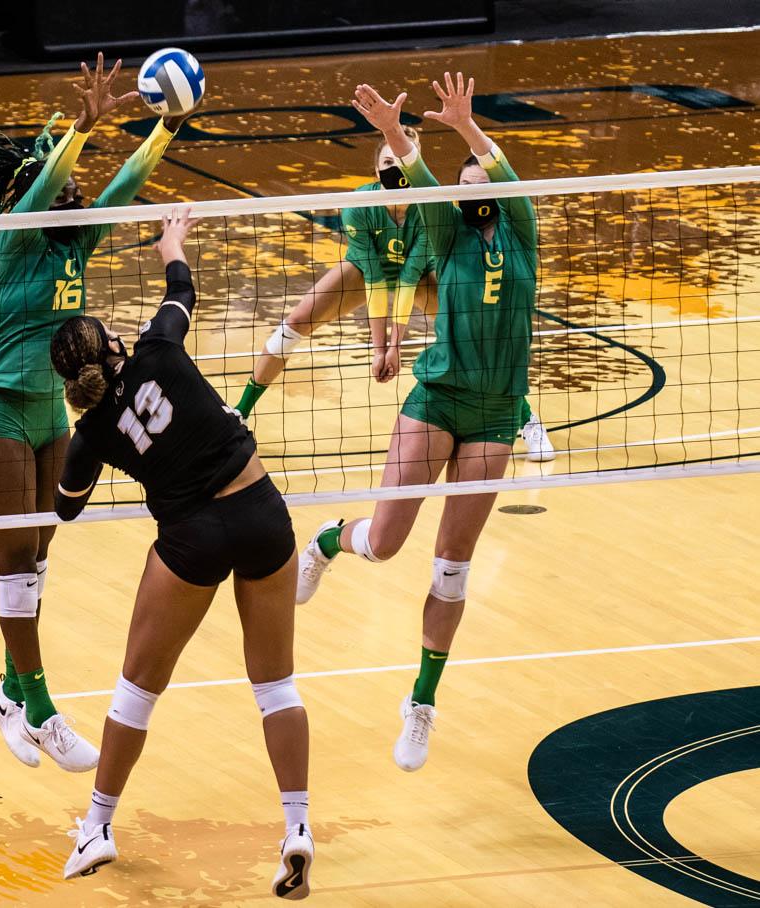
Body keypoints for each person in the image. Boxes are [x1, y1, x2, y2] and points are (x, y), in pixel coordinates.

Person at [0, 55, 189, 772]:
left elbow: (126, 183)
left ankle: (9, 693)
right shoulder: (17, 241)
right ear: (34, 197)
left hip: (52, 416)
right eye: (63, 184)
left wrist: (165, 127)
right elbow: (46, 180)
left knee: (37, 560)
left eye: (77, 183)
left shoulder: (79, 242)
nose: (76, 190)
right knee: (15, 564)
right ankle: (39, 709)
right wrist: (78, 127)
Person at [51, 211, 313, 900]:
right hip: (260, 514)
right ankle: (296, 827)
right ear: (113, 343)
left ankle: (98, 827)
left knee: (138, 687)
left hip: (192, 538)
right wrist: (172, 244)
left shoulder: (91, 434)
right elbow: (181, 289)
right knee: (275, 685)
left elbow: (66, 506)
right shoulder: (159, 350)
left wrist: (80, 442)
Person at [295, 73, 539, 771]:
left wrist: (467, 125)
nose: (474, 185)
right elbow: (417, 171)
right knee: (386, 543)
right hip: (438, 398)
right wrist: (394, 133)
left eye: (481, 176)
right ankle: (327, 543)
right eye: (462, 182)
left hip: (497, 413)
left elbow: (500, 169)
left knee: (453, 571)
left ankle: (421, 705)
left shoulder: (520, 229)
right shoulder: (447, 230)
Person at [233, 135, 553, 460]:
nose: (395, 169)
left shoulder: (427, 209)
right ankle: (239, 414)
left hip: (419, 276)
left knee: (470, 340)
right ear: (376, 168)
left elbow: (408, 279)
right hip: (364, 270)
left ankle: (528, 421)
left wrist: (395, 347)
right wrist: (379, 350)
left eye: (401, 163)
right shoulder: (360, 204)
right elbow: (374, 278)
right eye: (388, 163)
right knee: (296, 322)